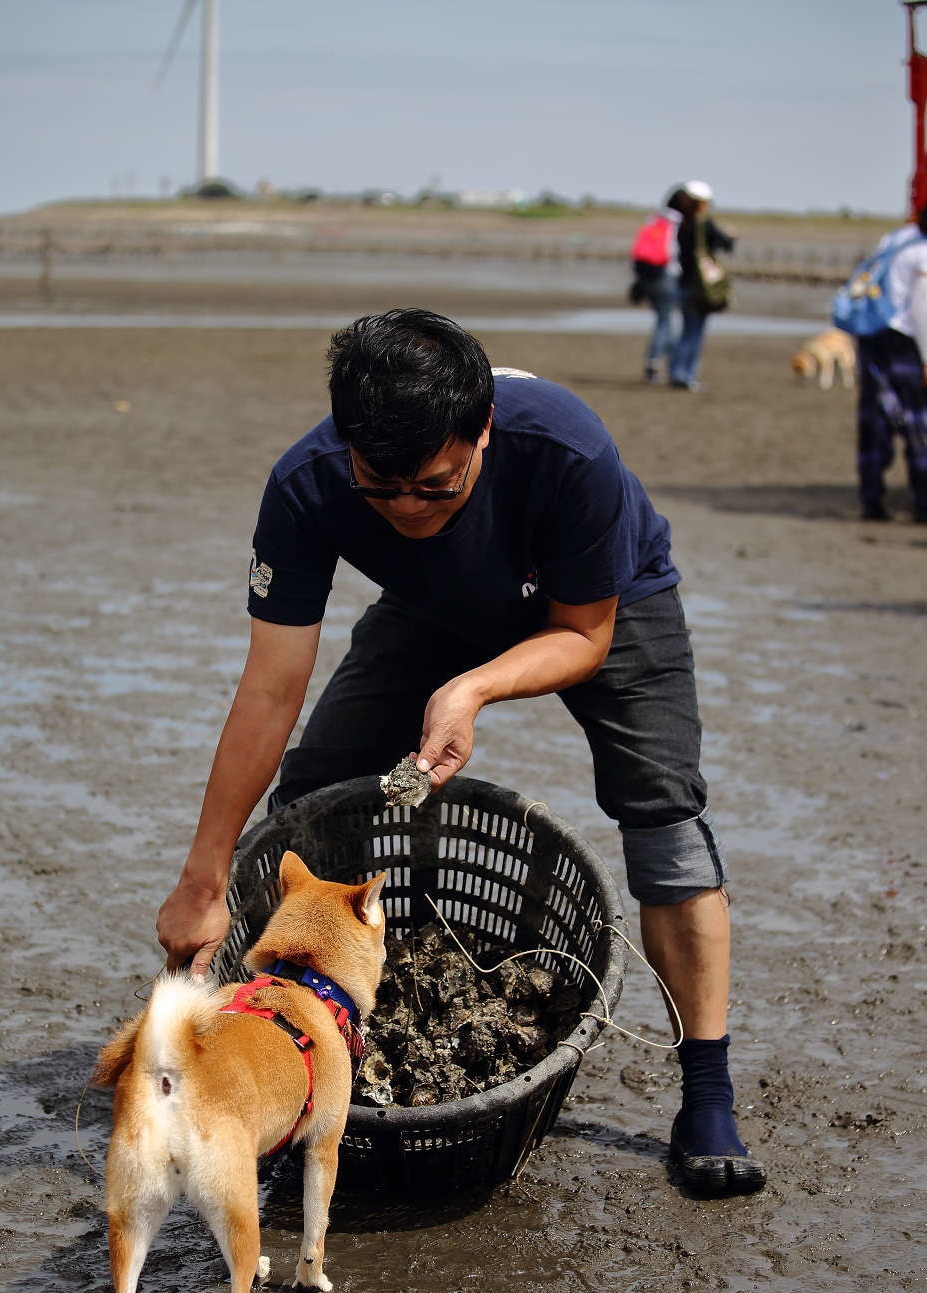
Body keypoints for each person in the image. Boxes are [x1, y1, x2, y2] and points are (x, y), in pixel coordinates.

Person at [156, 308, 766, 1197]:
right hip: (432, 607)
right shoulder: (309, 483)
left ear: (480, 432)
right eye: (381, 487)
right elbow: (269, 690)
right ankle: (349, 1019)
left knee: (666, 828)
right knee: (315, 803)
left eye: (435, 487)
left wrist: (474, 687)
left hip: (601, 607)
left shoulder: (567, 452)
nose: (406, 507)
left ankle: (707, 1091)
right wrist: (203, 879)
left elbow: (583, 636)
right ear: (347, 445)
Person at [856, 190, 927, 523]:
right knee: (926, 422)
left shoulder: (899, 237)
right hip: (903, 343)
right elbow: (920, 309)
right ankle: (926, 503)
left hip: (872, 338)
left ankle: (872, 501)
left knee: (875, 421)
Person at [668, 180, 735, 392]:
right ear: (702, 203)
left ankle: (676, 372)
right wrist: (731, 235)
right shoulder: (704, 223)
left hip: (682, 284)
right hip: (700, 288)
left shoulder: (680, 223)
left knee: (686, 330)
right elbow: (726, 244)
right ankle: (687, 376)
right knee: (695, 332)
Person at [629, 194, 683, 382]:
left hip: (648, 277)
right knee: (665, 322)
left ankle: (664, 363)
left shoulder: (654, 219)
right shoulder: (677, 222)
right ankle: (655, 363)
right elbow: (673, 251)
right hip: (665, 277)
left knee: (663, 320)